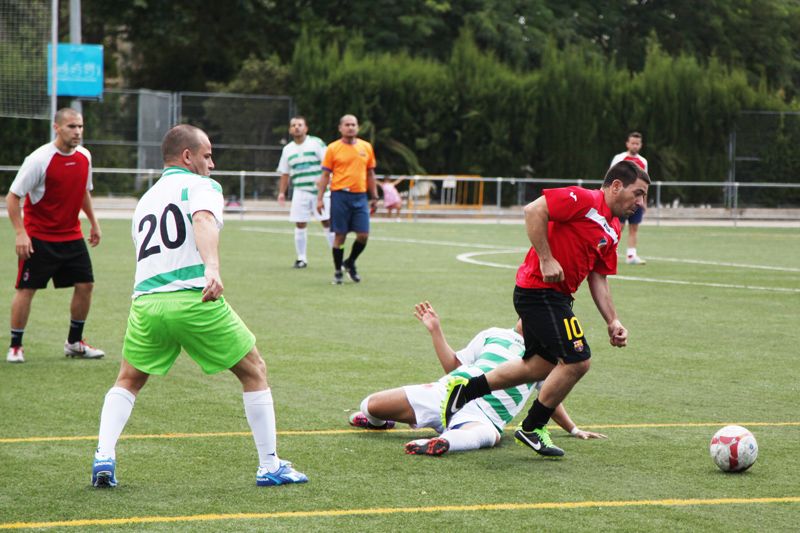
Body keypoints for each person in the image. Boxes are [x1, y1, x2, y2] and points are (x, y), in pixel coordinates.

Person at [90, 124, 307, 488]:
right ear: (187, 156)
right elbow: (203, 219)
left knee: (128, 380)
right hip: (192, 297)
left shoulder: (146, 199)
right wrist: (212, 268)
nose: (212, 162)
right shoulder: (201, 185)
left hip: (146, 303)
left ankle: (103, 455)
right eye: (207, 154)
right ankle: (270, 465)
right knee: (254, 369)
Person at [441, 161, 649, 457]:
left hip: (557, 297)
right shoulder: (584, 199)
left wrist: (612, 320)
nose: (641, 203)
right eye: (638, 193)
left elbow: (598, 276)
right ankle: (533, 426)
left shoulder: (614, 227)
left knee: (538, 366)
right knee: (578, 360)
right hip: (539, 291)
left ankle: (466, 390)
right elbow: (533, 210)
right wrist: (545, 257)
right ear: (616, 186)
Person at [349, 302, 605, 456]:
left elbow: (550, 398)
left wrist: (572, 428)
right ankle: (378, 422)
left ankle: (441, 443)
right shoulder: (493, 334)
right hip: (447, 393)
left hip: (485, 416)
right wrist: (436, 331)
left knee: (488, 435)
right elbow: (453, 366)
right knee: (368, 405)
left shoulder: (546, 356)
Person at [5, 107, 104, 364]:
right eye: (72, 127)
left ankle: (74, 343)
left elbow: (83, 191)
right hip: (39, 238)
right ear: (56, 128)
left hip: (71, 236)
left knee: (86, 285)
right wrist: (20, 233)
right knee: (27, 289)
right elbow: (13, 197)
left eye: (80, 126)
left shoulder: (85, 157)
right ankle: (16, 346)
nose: (78, 132)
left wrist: (93, 223)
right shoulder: (39, 159)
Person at [316, 114, 378, 285]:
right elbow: (325, 175)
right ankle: (338, 271)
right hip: (340, 195)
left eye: (354, 124)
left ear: (358, 127)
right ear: (340, 128)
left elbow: (370, 173)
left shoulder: (366, 147)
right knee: (340, 237)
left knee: (363, 235)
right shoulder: (333, 148)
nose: (351, 127)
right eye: (347, 124)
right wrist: (320, 198)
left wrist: (375, 196)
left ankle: (350, 262)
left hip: (360, 196)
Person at [277, 116, 334, 268]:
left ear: (306, 128)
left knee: (327, 221)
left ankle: (337, 257)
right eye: (293, 125)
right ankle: (301, 258)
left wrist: (326, 181)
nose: (297, 127)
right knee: (300, 223)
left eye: (300, 125)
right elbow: (285, 172)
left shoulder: (316, 143)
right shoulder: (287, 149)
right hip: (300, 191)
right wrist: (282, 192)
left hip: (320, 191)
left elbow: (329, 164)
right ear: (290, 129)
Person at [610, 132, 649, 265]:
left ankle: (631, 256)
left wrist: (644, 200)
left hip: (636, 201)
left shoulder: (643, 161)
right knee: (617, 226)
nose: (635, 146)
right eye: (632, 143)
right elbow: (611, 177)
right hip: (622, 200)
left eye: (637, 143)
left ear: (641, 145)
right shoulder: (620, 158)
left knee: (634, 227)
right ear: (627, 144)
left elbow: (645, 182)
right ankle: (610, 252)